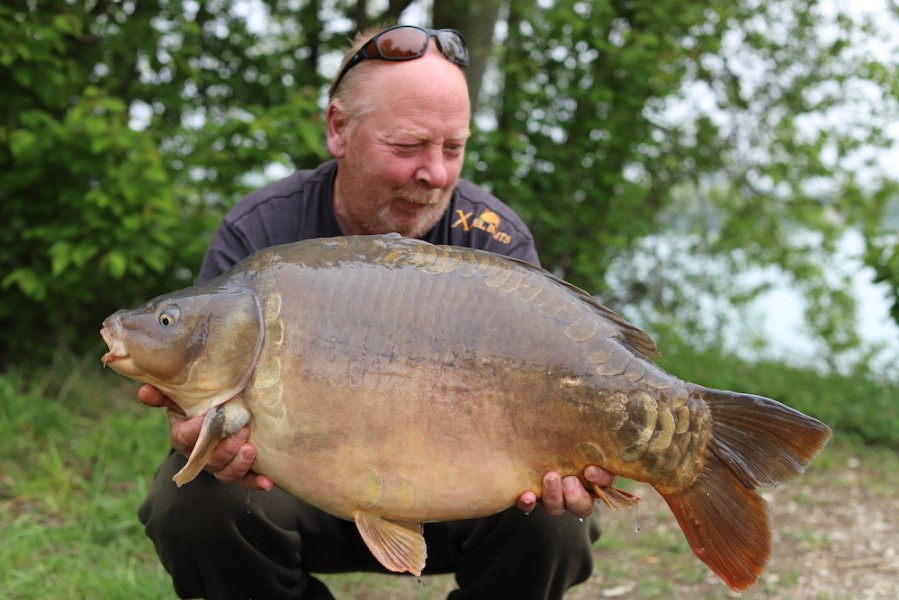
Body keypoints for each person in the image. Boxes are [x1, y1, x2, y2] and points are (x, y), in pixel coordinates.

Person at [137, 24, 615, 600]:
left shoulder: (492, 240)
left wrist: (582, 457)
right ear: (339, 128)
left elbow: (560, 386)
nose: (435, 173)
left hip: (456, 492)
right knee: (190, 502)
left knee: (554, 520)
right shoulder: (262, 231)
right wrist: (198, 436)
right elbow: (205, 400)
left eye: (453, 148)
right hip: (297, 488)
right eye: (408, 146)